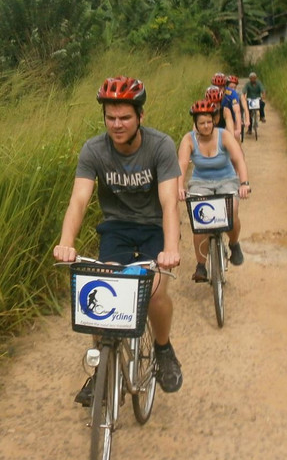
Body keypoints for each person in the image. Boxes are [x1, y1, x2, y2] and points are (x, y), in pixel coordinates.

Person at [54, 76, 183, 401]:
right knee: (101, 294)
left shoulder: (161, 146)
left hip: (154, 229)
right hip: (117, 230)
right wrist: (66, 241)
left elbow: (169, 202)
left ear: (140, 116)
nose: (117, 124)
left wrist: (171, 248)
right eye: (110, 118)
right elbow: (79, 200)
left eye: (125, 117)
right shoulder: (94, 150)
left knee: (153, 294)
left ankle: (164, 349)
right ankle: (103, 371)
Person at [177, 98, 250, 282]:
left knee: (231, 210)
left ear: (214, 120)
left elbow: (238, 159)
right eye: (202, 123)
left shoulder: (224, 135)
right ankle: (201, 265)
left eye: (209, 121)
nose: (206, 126)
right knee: (199, 221)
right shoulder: (189, 139)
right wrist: (179, 187)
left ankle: (234, 244)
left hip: (226, 179)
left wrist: (244, 183)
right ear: (196, 123)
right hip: (200, 182)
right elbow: (182, 165)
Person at [211, 73, 241, 139]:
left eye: (221, 87)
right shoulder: (210, 93)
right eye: (216, 86)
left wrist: (238, 129)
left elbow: (237, 111)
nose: (218, 89)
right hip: (216, 118)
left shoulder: (231, 93)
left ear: (225, 86)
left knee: (234, 137)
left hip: (231, 118)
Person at [227, 74, 249, 141]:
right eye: (231, 87)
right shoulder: (224, 94)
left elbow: (245, 107)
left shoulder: (239, 94)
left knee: (236, 138)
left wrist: (247, 120)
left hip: (237, 118)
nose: (233, 89)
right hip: (227, 117)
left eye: (234, 87)